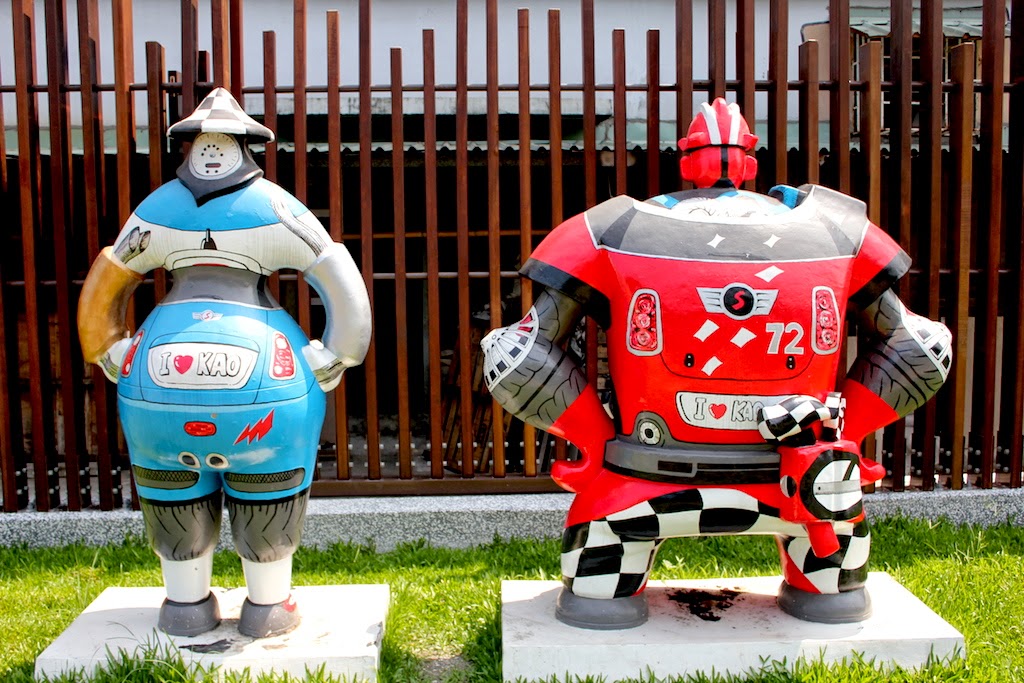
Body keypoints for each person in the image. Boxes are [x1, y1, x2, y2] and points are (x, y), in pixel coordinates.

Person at [482, 98, 951, 628]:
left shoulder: (611, 229)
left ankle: (605, 590)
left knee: (600, 595)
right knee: (833, 591)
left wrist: (596, 445)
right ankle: (825, 584)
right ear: (749, 160)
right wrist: (845, 439)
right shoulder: (834, 228)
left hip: (642, 477)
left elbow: (518, 354)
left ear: (687, 159)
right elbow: (920, 348)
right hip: (807, 484)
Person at [78, 88, 371, 637]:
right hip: (268, 390)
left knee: (171, 494)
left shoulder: (157, 210)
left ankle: (184, 604)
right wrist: (336, 354)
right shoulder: (276, 208)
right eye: (205, 144)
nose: (212, 154)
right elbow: (336, 273)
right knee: (268, 494)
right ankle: (268, 604)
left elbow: (110, 275)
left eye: (220, 144)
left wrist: (108, 348)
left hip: (155, 392)